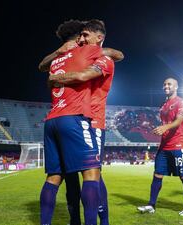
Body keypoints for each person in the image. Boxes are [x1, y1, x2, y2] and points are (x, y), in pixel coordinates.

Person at [48, 19, 120, 225]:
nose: (81, 39)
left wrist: (55, 78)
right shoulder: (77, 54)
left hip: (93, 121)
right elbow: (45, 65)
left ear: (99, 38)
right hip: (75, 119)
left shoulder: (102, 59)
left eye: (86, 35)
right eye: (80, 35)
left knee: (94, 175)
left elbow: (117, 55)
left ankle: (102, 221)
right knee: (73, 177)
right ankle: (75, 221)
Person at [137, 78, 183, 216]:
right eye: (164, 84)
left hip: (178, 144)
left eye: (169, 84)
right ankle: (151, 205)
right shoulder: (163, 105)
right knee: (157, 174)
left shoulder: (181, 102)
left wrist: (165, 127)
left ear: (176, 87)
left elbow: (179, 120)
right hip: (164, 146)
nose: (166, 86)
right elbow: (166, 123)